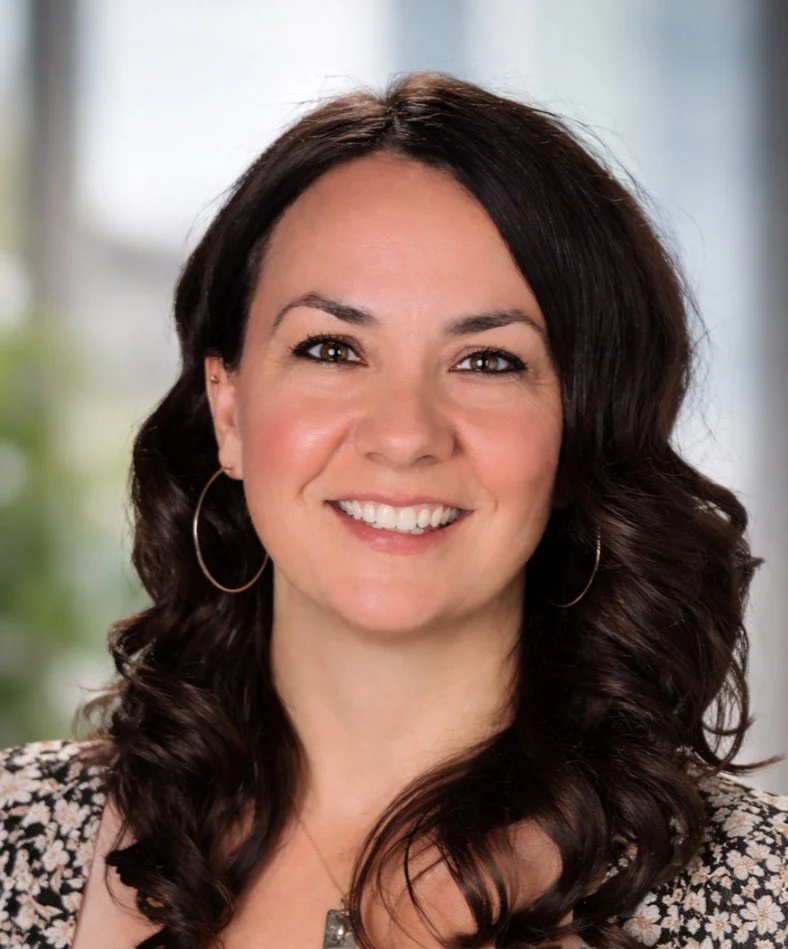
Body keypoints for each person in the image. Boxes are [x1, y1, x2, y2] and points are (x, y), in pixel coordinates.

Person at [1, 72, 786, 949]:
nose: (405, 434)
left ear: (579, 431)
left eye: (488, 361)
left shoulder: (763, 895)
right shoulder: (18, 838)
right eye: (333, 348)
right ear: (229, 410)